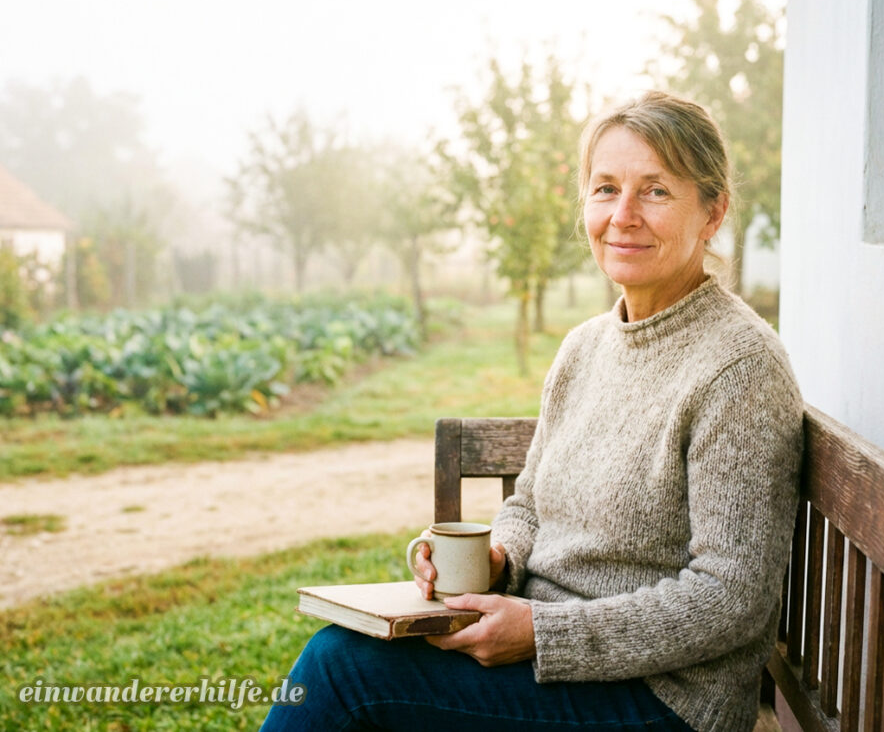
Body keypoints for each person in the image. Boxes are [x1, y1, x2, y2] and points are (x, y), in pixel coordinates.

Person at [260, 91, 803, 732]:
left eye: (655, 191)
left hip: (660, 701)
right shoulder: (584, 349)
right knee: (347, 653)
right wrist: (496, 562)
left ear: (712, 213)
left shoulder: (740, 367)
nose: (622, 215)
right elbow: (528, 506)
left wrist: (542, 633)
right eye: (605, 189)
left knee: (341, 672)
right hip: (557, 664)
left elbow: (731, 598)